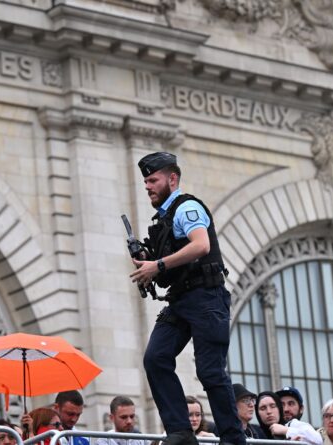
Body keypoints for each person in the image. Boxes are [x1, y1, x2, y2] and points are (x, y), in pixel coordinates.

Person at [132, 152, 244, 445]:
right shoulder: (163, 219)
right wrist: (149, 258)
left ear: (172, 178)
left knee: (209, 371)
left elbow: (201, 245)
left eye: (153, 180)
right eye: (145, 182)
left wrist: (157, 265)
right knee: (155, 358)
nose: (148, 186)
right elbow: (171, 261)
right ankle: (181, 431)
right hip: (181, 299)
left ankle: (233, 438)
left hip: (207, 297)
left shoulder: (187, 207)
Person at [254, 391, 322, 444]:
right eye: (263, 408)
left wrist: (286, 430)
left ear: (279, 409)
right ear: (257, 413)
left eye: (273, 406)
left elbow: (318, 440)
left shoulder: (293, 424)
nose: (268, 411)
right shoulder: (253, 432)